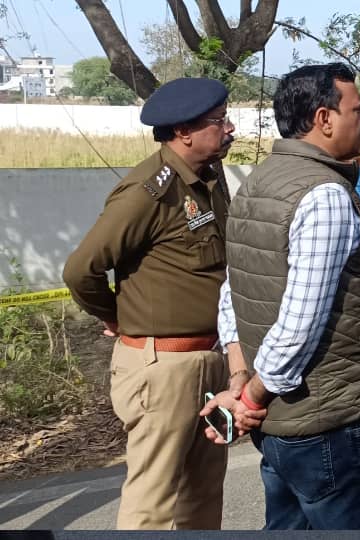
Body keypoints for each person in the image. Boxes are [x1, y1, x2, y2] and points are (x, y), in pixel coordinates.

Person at [208, 63, 360, 529]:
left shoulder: (257, 183)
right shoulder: (323, 195)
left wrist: (239, 377)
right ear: (325, 119)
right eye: (358, 109)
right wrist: (249, 398)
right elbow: (299, 322)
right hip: (324, 422)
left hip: (279, 422)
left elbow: (233, 292)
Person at [62, 77, 240, 529]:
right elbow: (81, 269)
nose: (229, 128)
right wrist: (117, 318)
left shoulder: (208, 180)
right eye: (219, 122)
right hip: (163, 369)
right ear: (183, 131)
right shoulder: (146, 192)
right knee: (152, 502)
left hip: (211, 358)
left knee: (204, 494)